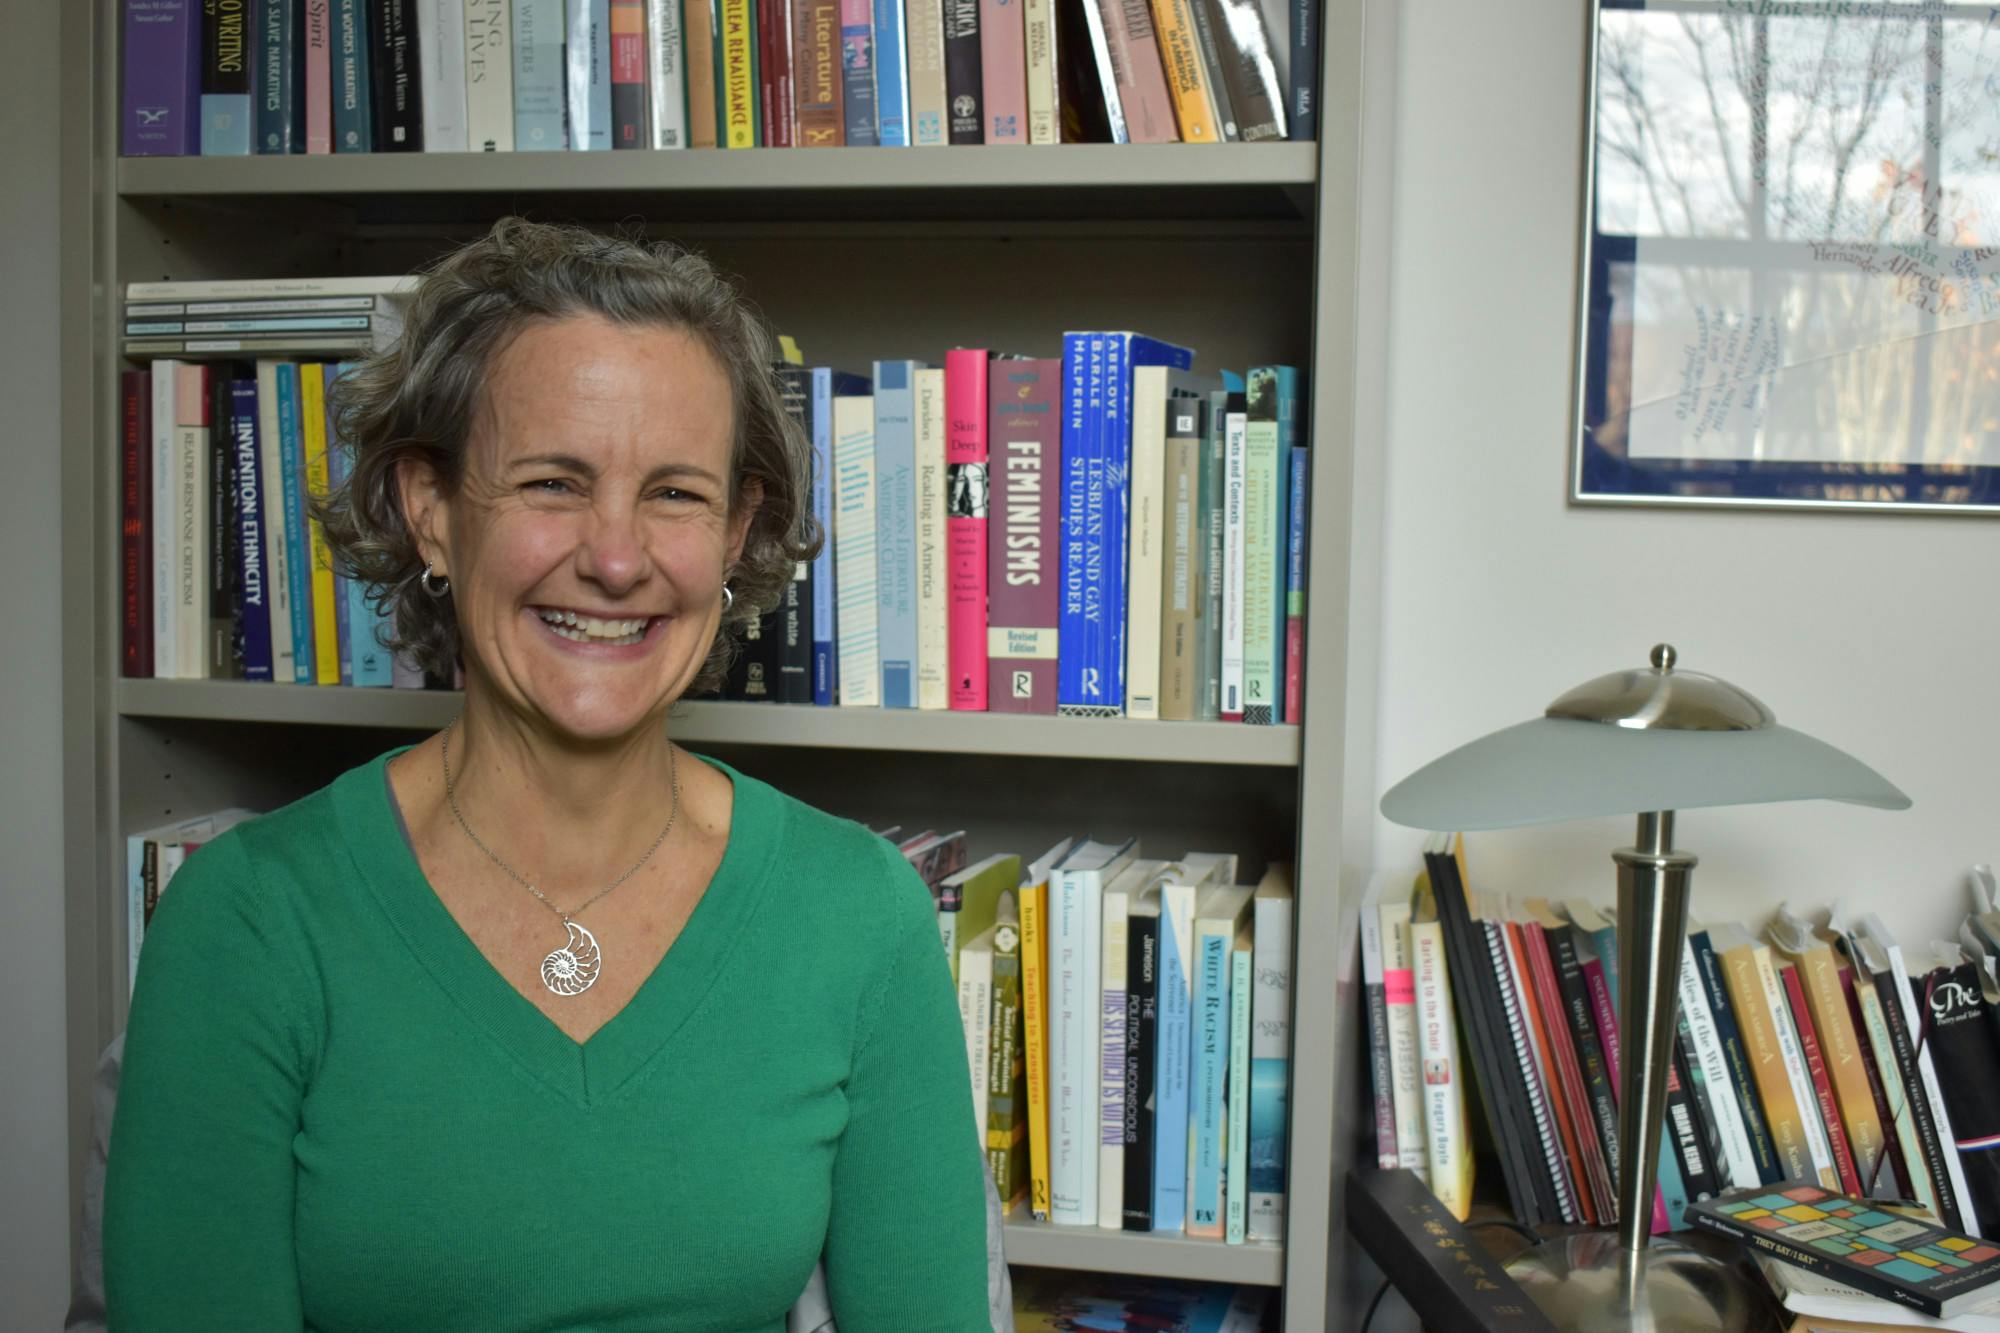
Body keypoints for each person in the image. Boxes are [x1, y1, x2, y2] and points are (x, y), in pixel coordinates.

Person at [103, 218, 996, 1331]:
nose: (615, 558)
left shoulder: (860, 917)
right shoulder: (249, 925)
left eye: (674, 493)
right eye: (551, 483)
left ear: (735, 533)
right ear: (430, 509)